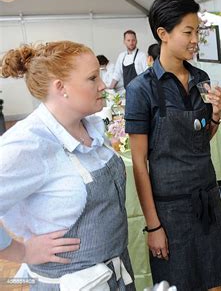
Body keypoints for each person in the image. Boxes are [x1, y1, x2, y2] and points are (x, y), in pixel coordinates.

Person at [0, 41, 135, 290]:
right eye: (93, 78)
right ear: (61, 87)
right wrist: (20, 251)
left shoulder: (90, 125)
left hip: (115, 273)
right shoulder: (27, 143)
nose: (103, 85)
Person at [125, 0, 221, 290]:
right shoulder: (141, 89)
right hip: (169, 211)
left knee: (210, 278)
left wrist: (217, 115)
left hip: (207, 199)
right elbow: (139, 164)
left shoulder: (201, 77)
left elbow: (202, 139)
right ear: (163, 34)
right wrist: (153, 225)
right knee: (176, 283)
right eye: (188, 32)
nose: (196, 39)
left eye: (198, 31)